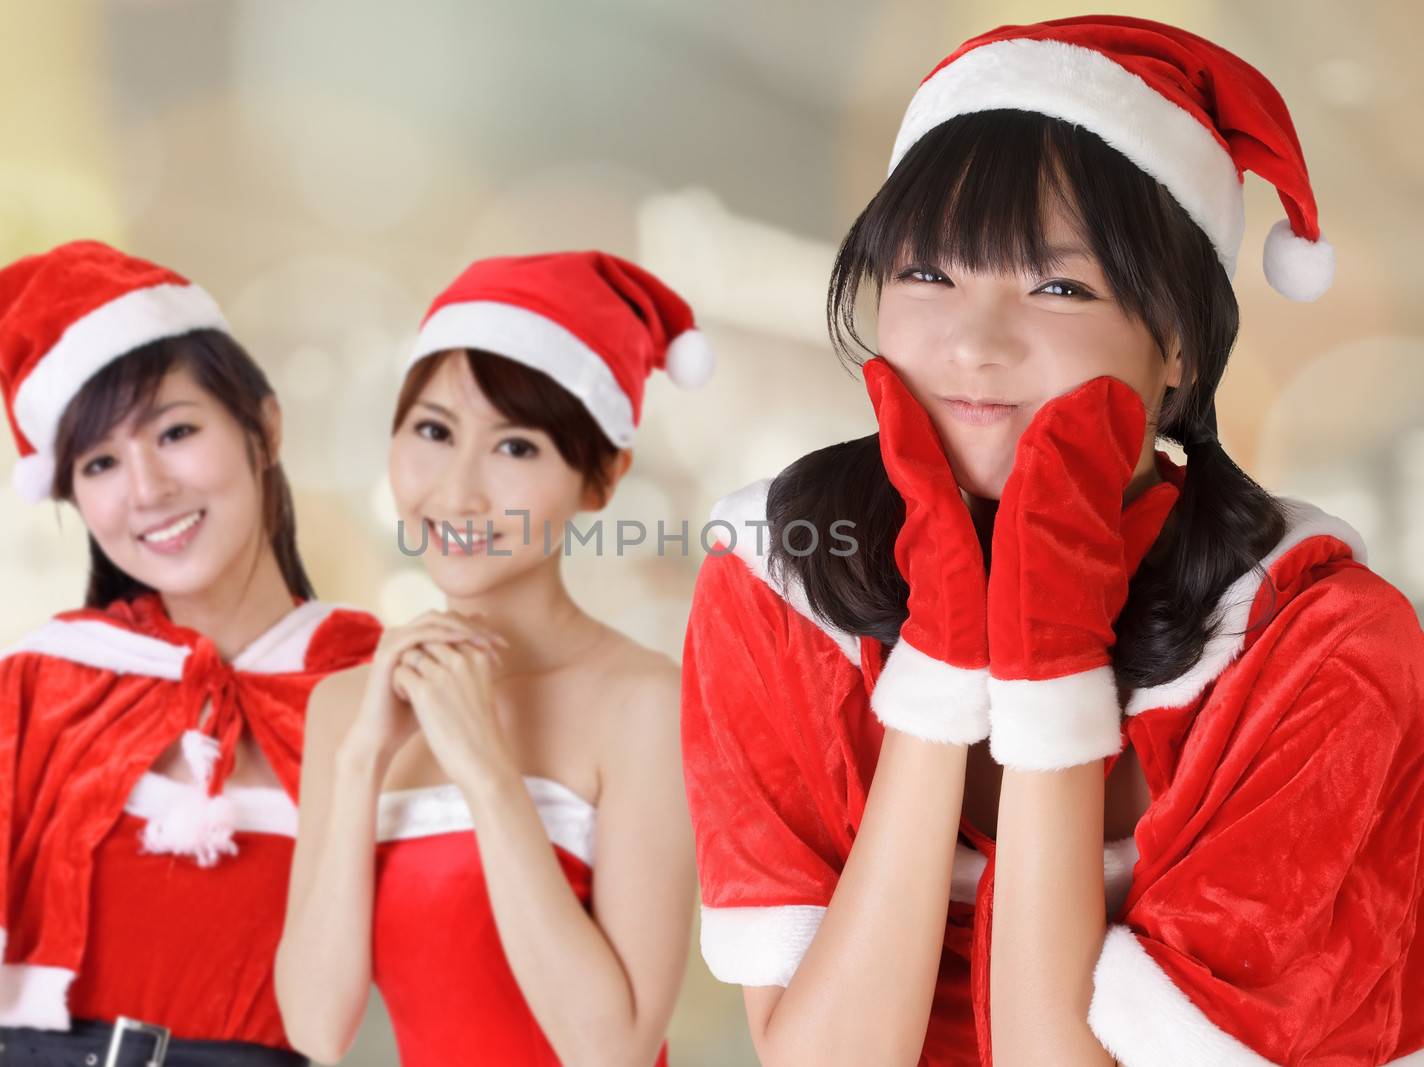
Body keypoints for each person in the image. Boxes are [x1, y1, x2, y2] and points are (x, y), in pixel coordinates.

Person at [681, 15, 1423, 1066]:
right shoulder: (780, 580)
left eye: (1057, 285)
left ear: (1176, 345)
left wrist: (1048, 651)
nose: (973, 345)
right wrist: (942, 655)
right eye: (927, 274)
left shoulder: (1321, 644)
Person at [0, 240, 382, 1067]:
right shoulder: (45, 686)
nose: (145, 488)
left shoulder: (374, 691)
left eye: (174, 431)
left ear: (264, 427)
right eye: (99, 462)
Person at [277, 252, 704, 1065]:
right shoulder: (347, 708)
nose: (461, 492)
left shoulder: (645, 702)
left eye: (516, 448)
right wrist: (365, 757)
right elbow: (315, 1028)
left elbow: (611, 1047)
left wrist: (486, 768)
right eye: (433, 432)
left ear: (603, 477)